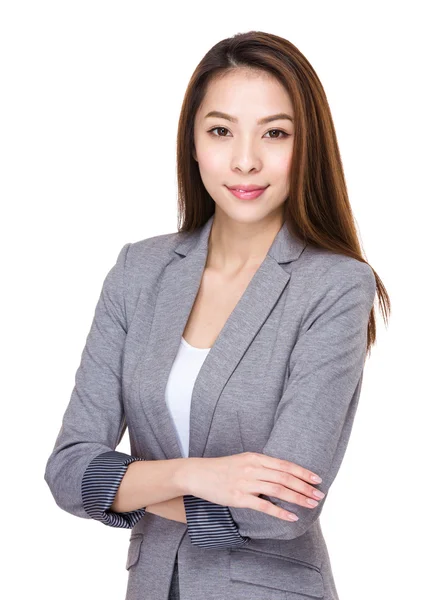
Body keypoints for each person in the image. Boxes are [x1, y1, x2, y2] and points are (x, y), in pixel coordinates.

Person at [44, 30, 390, 600]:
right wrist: (195, 474)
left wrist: (128, 484)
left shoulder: (335, 286)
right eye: (221, 131)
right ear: (194, 143)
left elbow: (280, 511)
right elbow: (67, 472)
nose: (246, 160)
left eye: (275, 134)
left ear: (308, 147)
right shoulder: (139, 270)